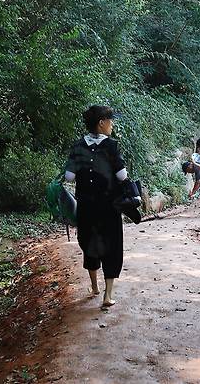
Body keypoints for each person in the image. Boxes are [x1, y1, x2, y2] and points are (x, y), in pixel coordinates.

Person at [64, 105, 127, 308]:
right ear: (101, 123)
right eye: (110, 120)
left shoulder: (78, 146)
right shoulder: (111, 146)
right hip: (109, 207)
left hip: (86, 207)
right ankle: (107, 296)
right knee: (112, 246)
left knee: (89, 243)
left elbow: (69, 176)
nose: (112, 124)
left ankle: (94, 286)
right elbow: (122, 176)